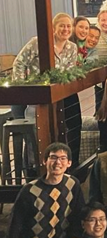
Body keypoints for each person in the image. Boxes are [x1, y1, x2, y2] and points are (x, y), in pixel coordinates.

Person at [12, 13, 82, 168]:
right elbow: (19, 63)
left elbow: (69, 73)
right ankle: (32, 168)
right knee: (34, 134)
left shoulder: (72, 48)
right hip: (35, 95)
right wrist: (22, 87)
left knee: (57, 130)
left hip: (58, 97)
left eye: (68, 26)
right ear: (53, 28)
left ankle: (61, 165)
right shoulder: (37, 43)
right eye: (62, 26)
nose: (65, 29)